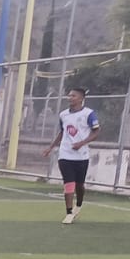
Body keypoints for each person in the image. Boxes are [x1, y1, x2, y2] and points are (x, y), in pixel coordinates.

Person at [45, 87, 100, 224]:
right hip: (65, 154)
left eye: (73, 96)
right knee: (69, 182)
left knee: (79, 185)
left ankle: (79, 205)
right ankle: (69, 212)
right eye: (69, 95)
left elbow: (96, 131)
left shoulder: (88, 114)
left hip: (81, 156)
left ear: (81, 98)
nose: (70, 98)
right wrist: (51, 147)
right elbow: (62, 132)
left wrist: (82, 143)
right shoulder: (63, 114)